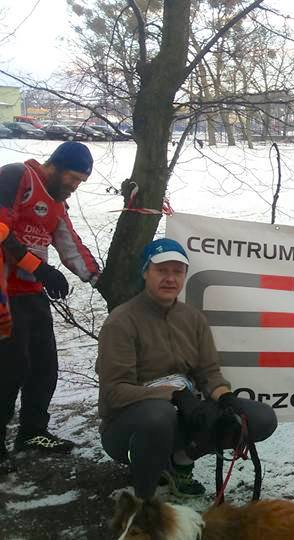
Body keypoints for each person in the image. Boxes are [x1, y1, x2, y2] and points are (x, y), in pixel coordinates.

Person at [96, 238, 278, 498]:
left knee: (260, 418)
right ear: (145, 272)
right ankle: (145, 497)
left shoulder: (193, 318)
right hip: (127, 428)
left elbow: (209, 372)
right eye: (161, 270)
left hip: (184, 414)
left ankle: (180, 463)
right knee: (159, 416)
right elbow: (114, 392)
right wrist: (172, 394)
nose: (170, 278)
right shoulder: (121, 322)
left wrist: (225, 398)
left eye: (177, 271)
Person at [0, 141, 101, 474]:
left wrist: (98, 278)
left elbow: (70, 244)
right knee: (10, 368)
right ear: (55, 166)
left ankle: (32, 432)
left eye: (81, 181)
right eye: (73, 177)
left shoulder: (57, 203)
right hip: (4, 292)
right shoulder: (17, 176)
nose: (75, 186)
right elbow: (1, 229)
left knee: (44, 366)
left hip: (31, 292)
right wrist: (40, 267)